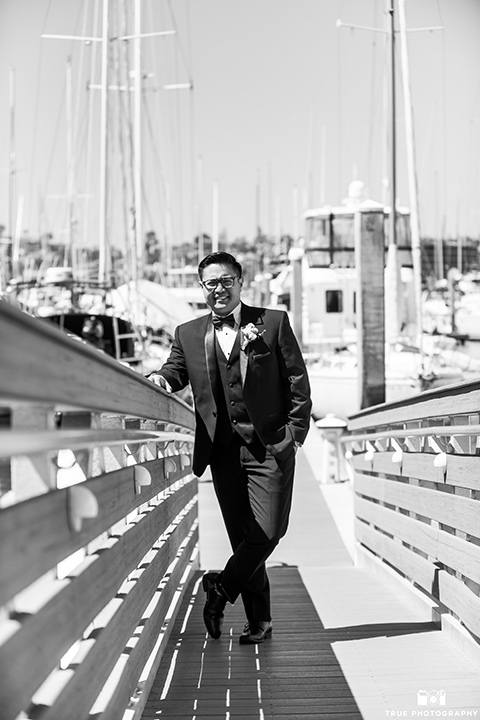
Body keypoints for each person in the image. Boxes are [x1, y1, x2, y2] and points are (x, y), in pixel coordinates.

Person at [148, 251, 311, 644]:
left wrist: (293, 436)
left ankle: (219, 587)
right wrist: (159, 379)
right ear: (202, 287)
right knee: (244, 537)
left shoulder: (272, 323)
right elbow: (176, 372)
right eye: (210, 283)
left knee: (270, 531)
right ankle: (260, 621)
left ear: (240, 282)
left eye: (225, 281)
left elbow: (297, 382)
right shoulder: (187, 333)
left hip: (270, 446)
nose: (218, 289)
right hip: (221, 451)